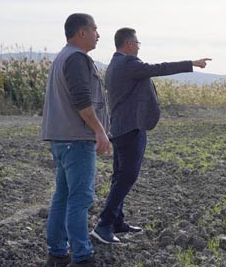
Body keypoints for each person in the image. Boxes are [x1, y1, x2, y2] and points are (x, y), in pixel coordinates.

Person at [90, 27, 211, 244]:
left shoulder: (114, 64)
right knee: (127, 177)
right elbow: (159, 68)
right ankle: (104, 224)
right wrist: (191, 63)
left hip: (120, 128)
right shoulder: (128, 63)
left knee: (120, 176)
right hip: (130, 129)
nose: (138, 46)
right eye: (137, 43)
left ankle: (117, 221)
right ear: (128, 44)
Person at [42, 13, 111, 267]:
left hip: (61, 139)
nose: (98, 34)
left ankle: (58, 254)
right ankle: (82, 257)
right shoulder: (76, 59)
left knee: (62, 196)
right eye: (94, 29)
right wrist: (100, 131)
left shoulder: (62, 56)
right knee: (80, 199)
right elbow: (82, 100)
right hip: (76, 139)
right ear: (81, 32)